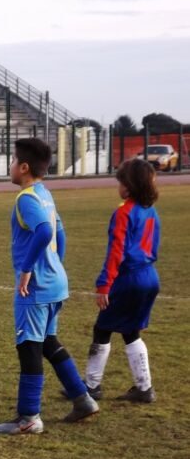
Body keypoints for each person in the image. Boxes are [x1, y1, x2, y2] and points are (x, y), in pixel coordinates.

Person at [0, 138, 99, 435]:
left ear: (23, 167)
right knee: (48, 343)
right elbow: (60, 235)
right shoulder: (44, 194)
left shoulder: (26, 198)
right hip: (54, 283)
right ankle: (82, 399)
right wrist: (56, 265)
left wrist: (28, 269)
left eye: (13, 160)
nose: (10, 165)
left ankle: (28, 418)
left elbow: (46, 231)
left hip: (35, 288)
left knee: (29, 346)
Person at [83, 159, 160, 404]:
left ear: (129, 185)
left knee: (102, 328)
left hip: (129, 277)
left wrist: (104, 285)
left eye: (121, 181)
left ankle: (91, 386)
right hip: (149, 275)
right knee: (130, 331)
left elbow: (116, 251)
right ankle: (144, 387)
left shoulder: (124, 212)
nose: (119, 186)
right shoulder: (151, 211)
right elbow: (154, 246)